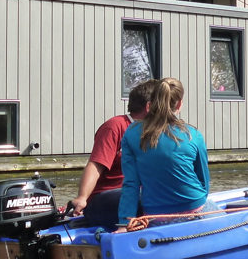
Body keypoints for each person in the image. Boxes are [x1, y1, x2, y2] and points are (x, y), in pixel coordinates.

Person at [118, 77, 211, 226]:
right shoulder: (193, 134)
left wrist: (124, 223)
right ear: (179, 104)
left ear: (151, 103)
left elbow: (131, 184)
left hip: (155, 215)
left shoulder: (132, 133)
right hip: (194, 208)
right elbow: (204, 183)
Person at [68, 79, 158, 229]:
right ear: (149, 107)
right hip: (104, 200)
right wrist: (82, 197)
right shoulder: (116, 127)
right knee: (147, 196)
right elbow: (95, 166)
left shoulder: (154, 133)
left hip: (134, 193)